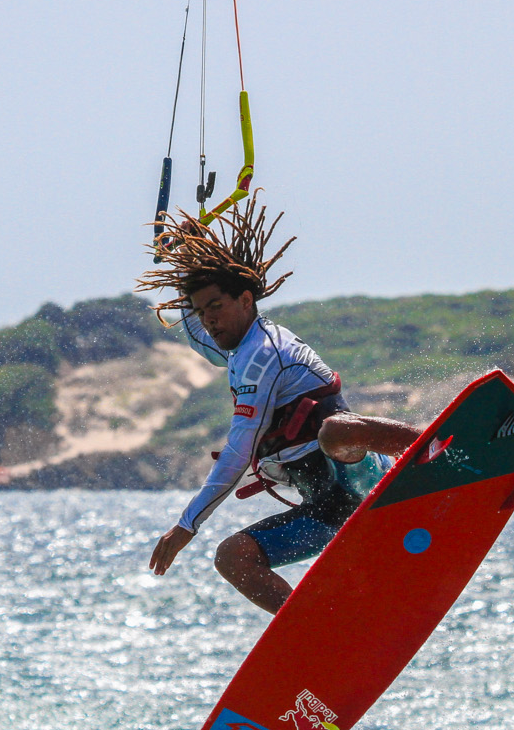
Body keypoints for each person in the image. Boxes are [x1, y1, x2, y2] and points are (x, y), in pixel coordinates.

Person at [139, 200, 422, 614]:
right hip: (328, 510)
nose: (209, 320)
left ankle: (442, 453)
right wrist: (183, 260)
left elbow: (239, 450)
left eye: (216, 306)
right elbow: (195, 333)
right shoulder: (233, 351)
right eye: (203, 312)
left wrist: (186, 527)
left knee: (334, 431)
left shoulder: (263, 353)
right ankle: (318, 631)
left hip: (361, 483)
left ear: (247, 300)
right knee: (232, 557)